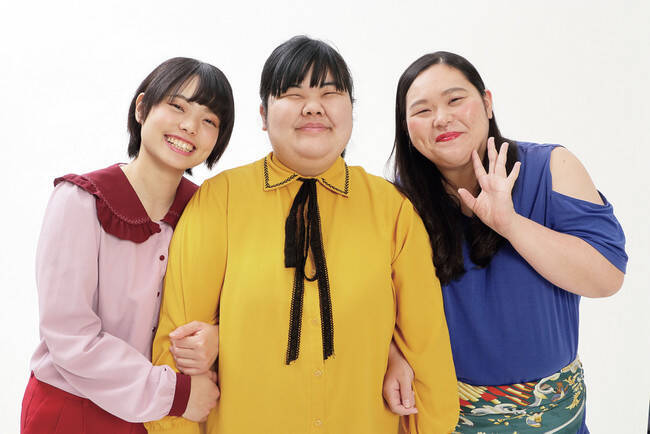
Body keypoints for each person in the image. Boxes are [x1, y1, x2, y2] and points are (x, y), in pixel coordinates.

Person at [145, 36, 459, 434]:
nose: (313, 106)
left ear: (351, 110)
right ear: (263, 114)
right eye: (294, 94)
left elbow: (426, 347)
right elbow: (177, 344)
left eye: (329, 93)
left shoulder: (391, 209)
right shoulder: (219, 200)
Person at [385, 51, 627, 433]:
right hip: (441, 418)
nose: (441, 118)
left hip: (554, 419)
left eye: (454, 99)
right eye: (422, 110)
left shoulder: (552, 167)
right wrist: (390, 352)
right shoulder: (395, 204)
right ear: (407, 128)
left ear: (487, 102)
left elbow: (607, 278)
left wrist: (510, 224)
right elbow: (369, 301)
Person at [21, 57, 235, 434]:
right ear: (141, 108)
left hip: (165, 424)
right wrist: (175, 394)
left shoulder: (211, 214)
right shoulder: (80, 201)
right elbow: (70, 336)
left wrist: (219, 337)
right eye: (177, 106)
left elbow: (237, 305)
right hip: (74, 411)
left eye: (209, 120)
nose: (190, 126)